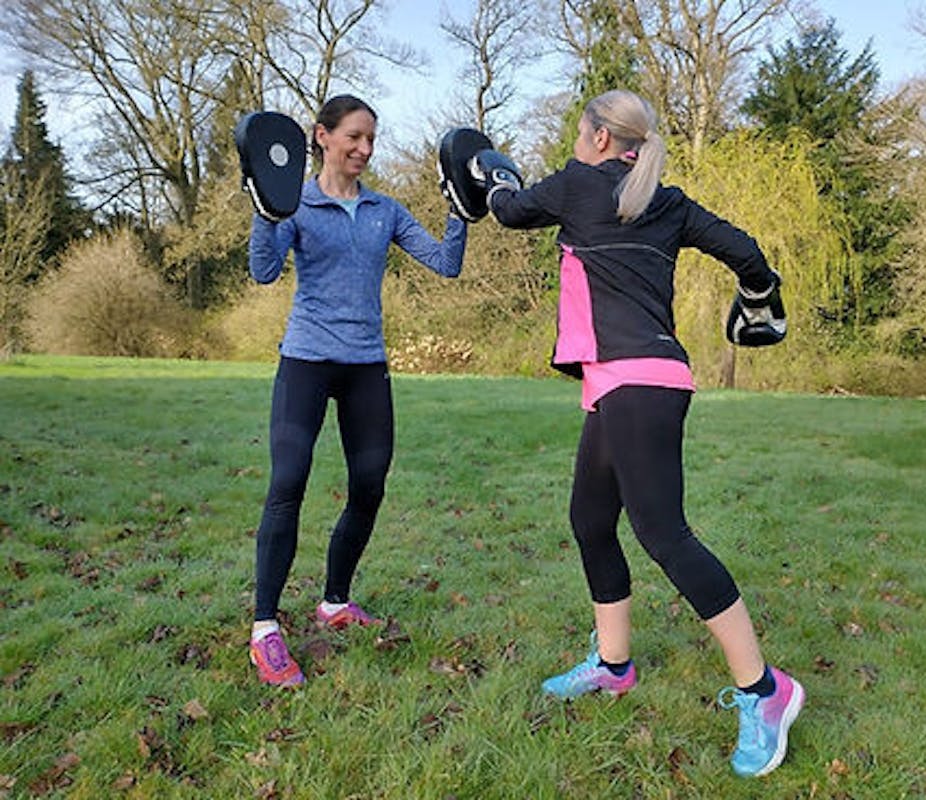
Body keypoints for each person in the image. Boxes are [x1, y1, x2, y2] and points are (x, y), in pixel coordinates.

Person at [481, 90, 804, 778]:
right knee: (591, 520)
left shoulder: (578, 184)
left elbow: (508, 211)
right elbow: (748, 254)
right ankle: (613, 663)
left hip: (635, 384)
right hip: (630, 382)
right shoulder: (667, 200)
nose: (577, 140)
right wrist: (757, 297)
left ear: (600, 138)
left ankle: (764, 690)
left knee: (664, 534)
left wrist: (493, 174)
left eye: (580, 130)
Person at [246, 95, 467, 687]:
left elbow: (445, 263)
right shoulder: (295, 203)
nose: (365, 149)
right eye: (354, 137)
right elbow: (264, 271)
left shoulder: (382, 210)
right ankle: (265, 629)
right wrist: (264, 208)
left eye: (372, 139)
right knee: (288, 483)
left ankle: (335, 601)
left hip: (366, 363)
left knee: (369, 486)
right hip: (307, 360)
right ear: (323, 136)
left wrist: (460, 208)